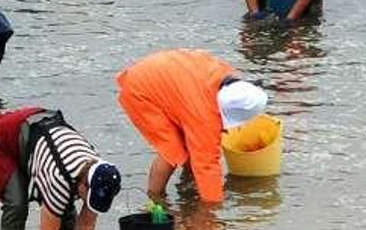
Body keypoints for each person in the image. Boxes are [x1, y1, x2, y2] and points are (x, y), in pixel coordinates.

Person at [0, 108, 122, 230]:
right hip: (9, 136)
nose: (90, 203)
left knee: (67, 221)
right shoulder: (58, 178)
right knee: (16, 207)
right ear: (84, 184)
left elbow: (87, 222)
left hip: (44, 138)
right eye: (89, 196)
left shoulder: (101, 174)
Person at [115, 49, 268, 204]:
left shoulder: (225, 75)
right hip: (140, 91)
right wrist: (212, 208)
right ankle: (156, 198)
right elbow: (207, 165)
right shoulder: (203, 115)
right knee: (172, 151)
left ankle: (188, 183)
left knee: (192, 146)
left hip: (160, 75)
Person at [243, 0, 325, 24]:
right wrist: (254, 13)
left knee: (302, 27)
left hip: (307, 1)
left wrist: (290, 19)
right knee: (251, 23)